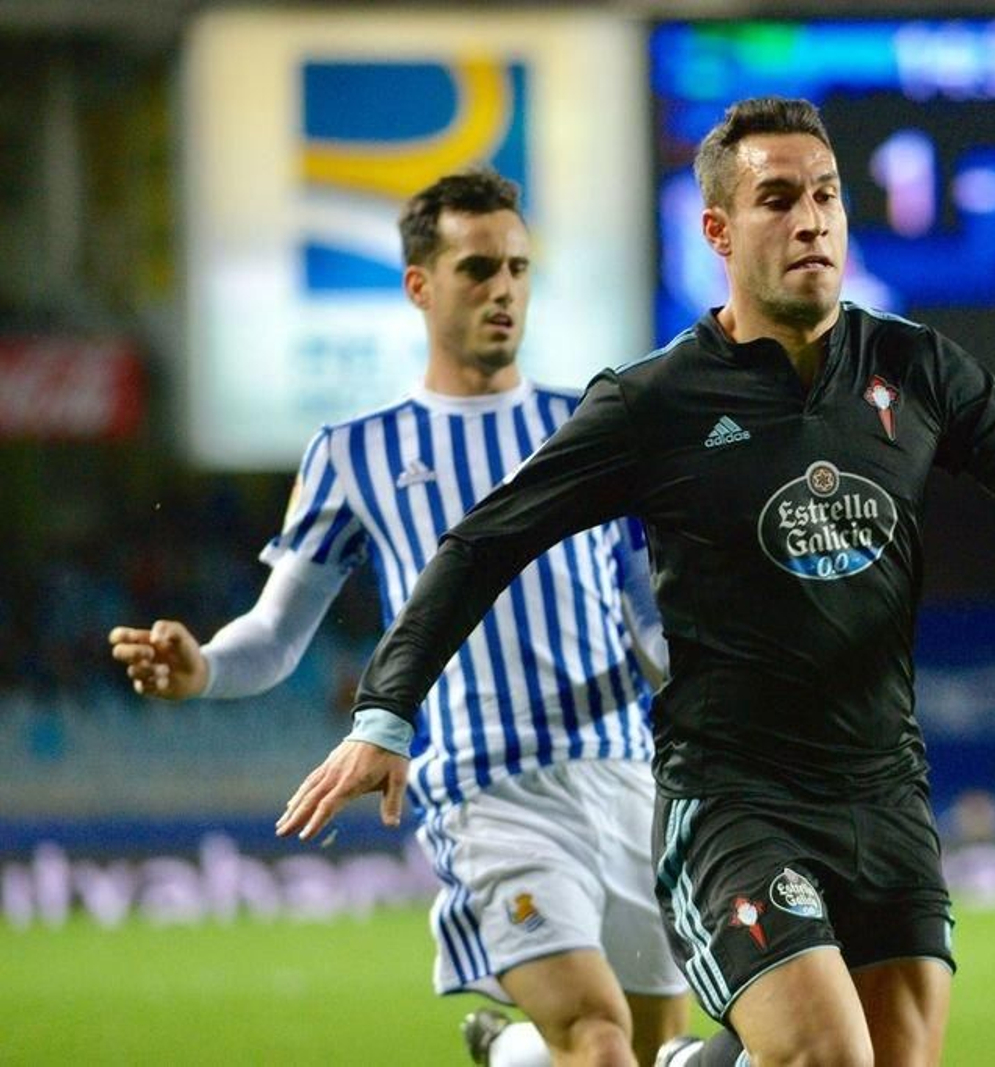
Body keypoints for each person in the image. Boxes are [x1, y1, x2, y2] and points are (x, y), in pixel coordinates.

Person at [276, 99, 995, 1066]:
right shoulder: (653, 403)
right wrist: (385, 714)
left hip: (885, 791)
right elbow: (483, 543)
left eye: (828, 196)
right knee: (829, 1057)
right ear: (717, 229)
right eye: (779, 198)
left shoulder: (914, 367)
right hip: (735, 804)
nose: (813, 220)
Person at [109, 169, 689, 1067]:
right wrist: (205, 666)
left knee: (657, 1051)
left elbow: (649, 614)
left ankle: (510, 1052)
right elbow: (274, 633)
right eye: (478, 268)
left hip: (629, 774)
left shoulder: (592, 422)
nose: (504, 288)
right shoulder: (355, 452)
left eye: (520, 268)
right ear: (420, 284)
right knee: (601, 1039)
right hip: (487, 790)